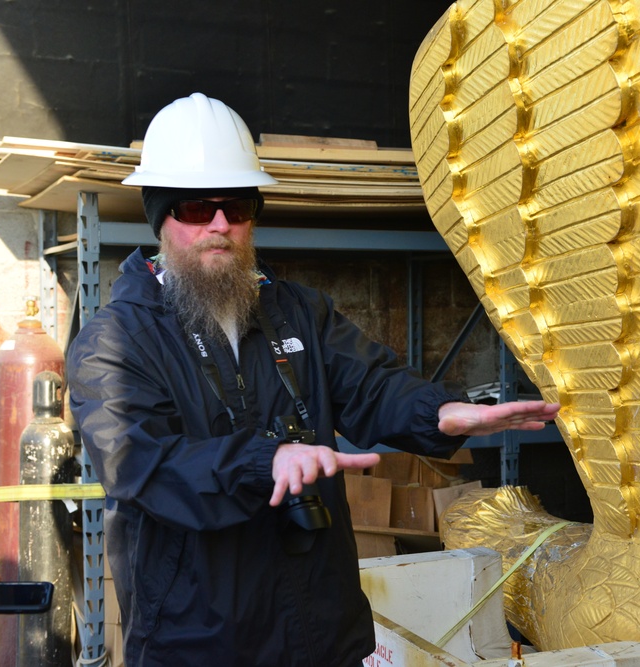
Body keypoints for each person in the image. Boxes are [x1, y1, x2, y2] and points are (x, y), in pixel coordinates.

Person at [67, 92, 560, 667]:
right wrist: (264, 462)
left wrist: (440, 413)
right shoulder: (114, 341)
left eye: (239, 206)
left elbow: (371, 384)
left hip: (321, 634)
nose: (220, 226)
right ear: (160, 215)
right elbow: (142, 466)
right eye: (197, 208)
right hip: (201, 643)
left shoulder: (296, 311)